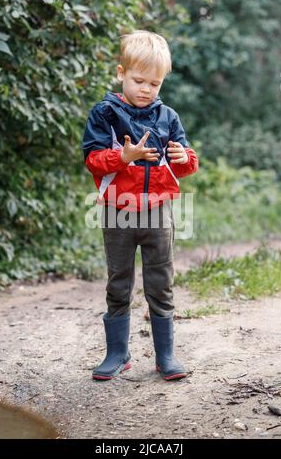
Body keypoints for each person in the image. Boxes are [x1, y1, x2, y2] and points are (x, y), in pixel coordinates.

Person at [82, 30, 198, 381]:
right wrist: (124, 156)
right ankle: (117, 353)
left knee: (160, 282)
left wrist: (183, 156)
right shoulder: (105, 113)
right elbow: (92, 159)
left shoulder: (168, 117)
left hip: (158, 213)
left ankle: (166, 356)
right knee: (119, 282)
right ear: (121, 73)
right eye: (139, 80)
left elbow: (186, 164)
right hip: (117, 211)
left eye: (155, 83)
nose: (147, 89)